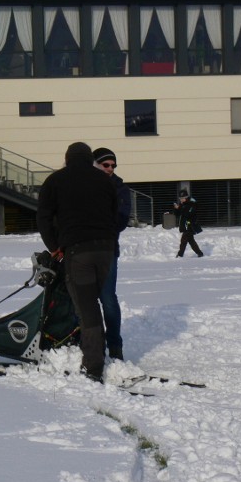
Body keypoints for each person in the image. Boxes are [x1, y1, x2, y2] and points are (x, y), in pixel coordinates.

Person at [37, 142, 117, 382]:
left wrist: (54, 248)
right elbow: (115, 212)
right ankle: (103, 351)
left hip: (78, 252)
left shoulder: (55, 181)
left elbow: (43, 217)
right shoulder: (104, 180)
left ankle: (93, 367)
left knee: (87, 308)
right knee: (96, 301)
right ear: (89, 158)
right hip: (105, 251)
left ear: (67, 158)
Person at [92, 147, 131, 361]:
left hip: (107, 250)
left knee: (107, 298)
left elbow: (121, 220)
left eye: (113, 166)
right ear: (95, 164)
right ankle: (87, 343)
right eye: (106, 165)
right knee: (84, 300)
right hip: (82, 251)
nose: (110, 169)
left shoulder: (120, 188)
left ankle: (115, 345)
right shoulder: (84, 185)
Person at [173, 189, 204, 258]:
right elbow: (177, 214)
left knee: (183, 240)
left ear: (186, 197)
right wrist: (176, 209)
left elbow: (188, 213)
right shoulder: (182, 204)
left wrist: (180, 208)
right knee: (191, 241)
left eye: (182, 198)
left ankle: (180, 255)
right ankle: (200, 253)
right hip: (185, 225)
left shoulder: (192, 204)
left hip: (190, 225)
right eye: (180, 198)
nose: (181, 200)